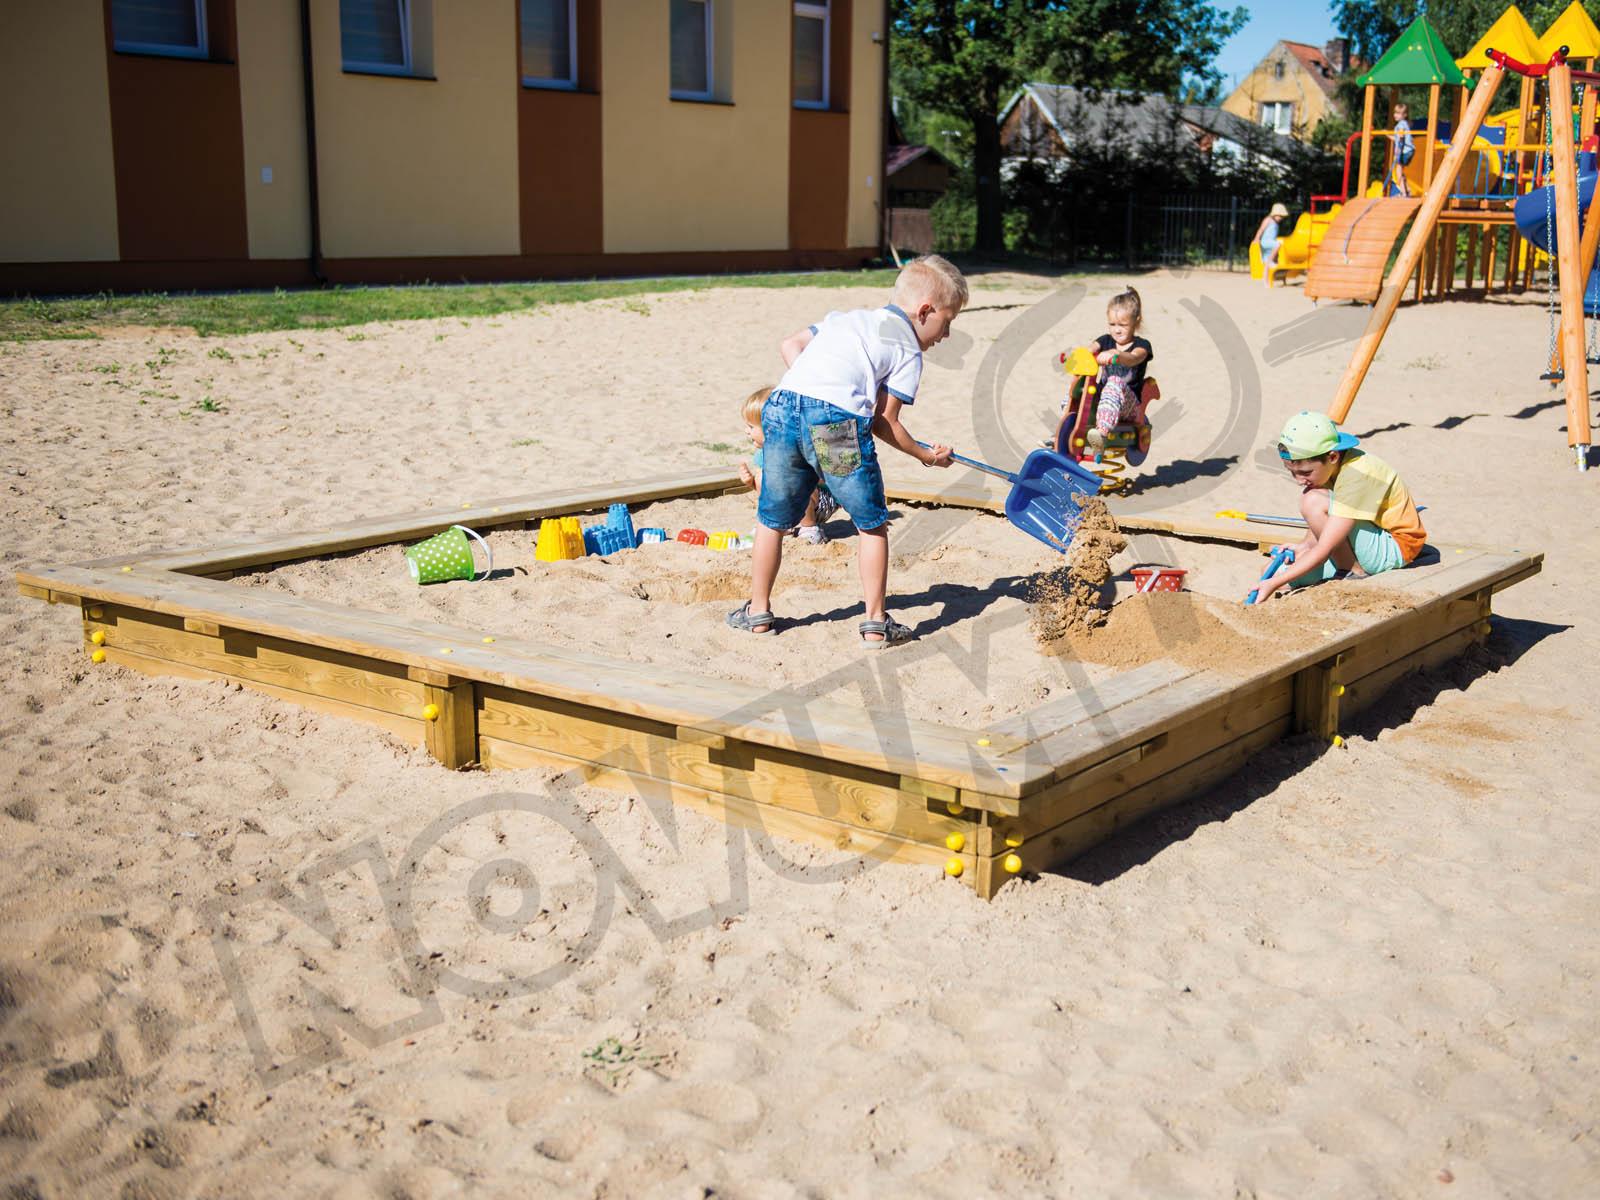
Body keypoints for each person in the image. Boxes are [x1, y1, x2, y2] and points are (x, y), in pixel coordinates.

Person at [726, 255, 965, 646]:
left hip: (783, 407)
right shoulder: (907, 348)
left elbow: (790, 345)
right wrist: (925, 454)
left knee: (771, 518)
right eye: (947, 321)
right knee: (871, 522)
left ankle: (758, 612)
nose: (946, 334)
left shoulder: (847, 318)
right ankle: (874, 622)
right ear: (925, 311)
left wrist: (818, 387)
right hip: (835, 425)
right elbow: (883, 422)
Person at [1250, 411, 1427, 604]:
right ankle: (1346, 568)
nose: (1299, 480)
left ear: (1332, 456)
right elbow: (1327, 522)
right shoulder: (1329, 468)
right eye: (1291, 472)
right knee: (1270, 572)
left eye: (1305, 472)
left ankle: (1353, 572)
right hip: (1367, 538)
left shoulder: (1357, 473)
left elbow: (1326, 544)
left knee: (1312, 500)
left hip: (1397, 546)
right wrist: (1304, 546)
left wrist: (1275, 583)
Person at [1059, 286, 1153, 456]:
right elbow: (1089, 350)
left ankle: (1101, 434)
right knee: (1079, 386)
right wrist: (1075, 357)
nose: (1117, 329)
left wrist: (1117, 354)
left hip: (1129, 405)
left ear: (1136, 321)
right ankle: (1063, 428)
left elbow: (1134, 358)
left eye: (1123, 325)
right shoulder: (1105, 340)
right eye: (1112, 324)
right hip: (1104, 399)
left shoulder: (1142, 346)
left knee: (1115, 381)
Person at [737, 386, 835, 545]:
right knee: (762, 478)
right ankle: (780, 526)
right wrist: (751, 483)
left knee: (799, 483)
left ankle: (810, 528)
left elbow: (828, 478)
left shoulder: (799, 449)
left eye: (751, 427)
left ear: (770, 429)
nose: (746, 431)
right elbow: (768, 489)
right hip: (790, 504)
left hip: (821, 502)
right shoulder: (763, 455)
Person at [1253, 202, 1289, 278]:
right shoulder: (1268, 220)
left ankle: (1267, 278)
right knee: (1278, 244)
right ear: (1275, 214)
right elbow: (1261, 229)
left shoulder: (1276, 223)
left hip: (1270, 244)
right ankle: (1270, 261)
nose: (1281, 218)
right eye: (1280, 216)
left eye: (1282, 216)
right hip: (1265, 242)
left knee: (1267, 260)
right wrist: (1256, 238)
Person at [1388, 102, 1414, 196]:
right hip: (1409, 150)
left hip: (1405, 151)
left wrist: (1398, 151)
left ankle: (1403, 192)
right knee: (1400, 170)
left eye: (1399, 113)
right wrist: (1388, 135)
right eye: (1395, 112)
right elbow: (1398, 138)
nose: (1396, 115)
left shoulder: (1401, 125)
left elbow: (1400, 139)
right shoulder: (1405, 123)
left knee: (1398, 171)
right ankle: (1407, 189)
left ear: (1405, 115)